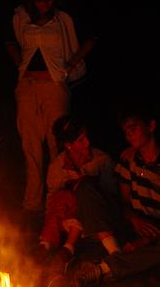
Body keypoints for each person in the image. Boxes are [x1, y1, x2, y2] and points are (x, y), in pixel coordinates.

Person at [5, 0, 97, 222]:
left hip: (54, 85)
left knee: (57, 142)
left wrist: (70, 64)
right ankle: (32, 203)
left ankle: (58, 201)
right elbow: (10, 42)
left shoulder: (62, 20)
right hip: (27, 86)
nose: (44, 3)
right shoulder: (22, 18)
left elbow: (89, 39)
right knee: (30, 143)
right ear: (32, 0)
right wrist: (20, 64)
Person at [69, 106, 160, 287]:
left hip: (159, 227)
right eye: (126, 132)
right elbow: (124, 201)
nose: (129, 136)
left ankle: (103, 268)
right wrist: (135, 219)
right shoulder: (129, 159)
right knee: (86, 187)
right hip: (133, 221)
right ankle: (117, 253)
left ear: (151, 126)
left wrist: (147, 239)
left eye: (133, 129)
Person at [35, 115, 120, 276]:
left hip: (97, 222)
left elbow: (112, 196)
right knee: (61, 196)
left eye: (86, 137)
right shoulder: (57, 167)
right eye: (81, 140)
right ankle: (46, 246)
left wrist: (85, 187)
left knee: (83, 188)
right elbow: (51, 202)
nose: (87, 142)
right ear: (68, 145)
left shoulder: (102, 160)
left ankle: (67, 249)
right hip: (69, 224)